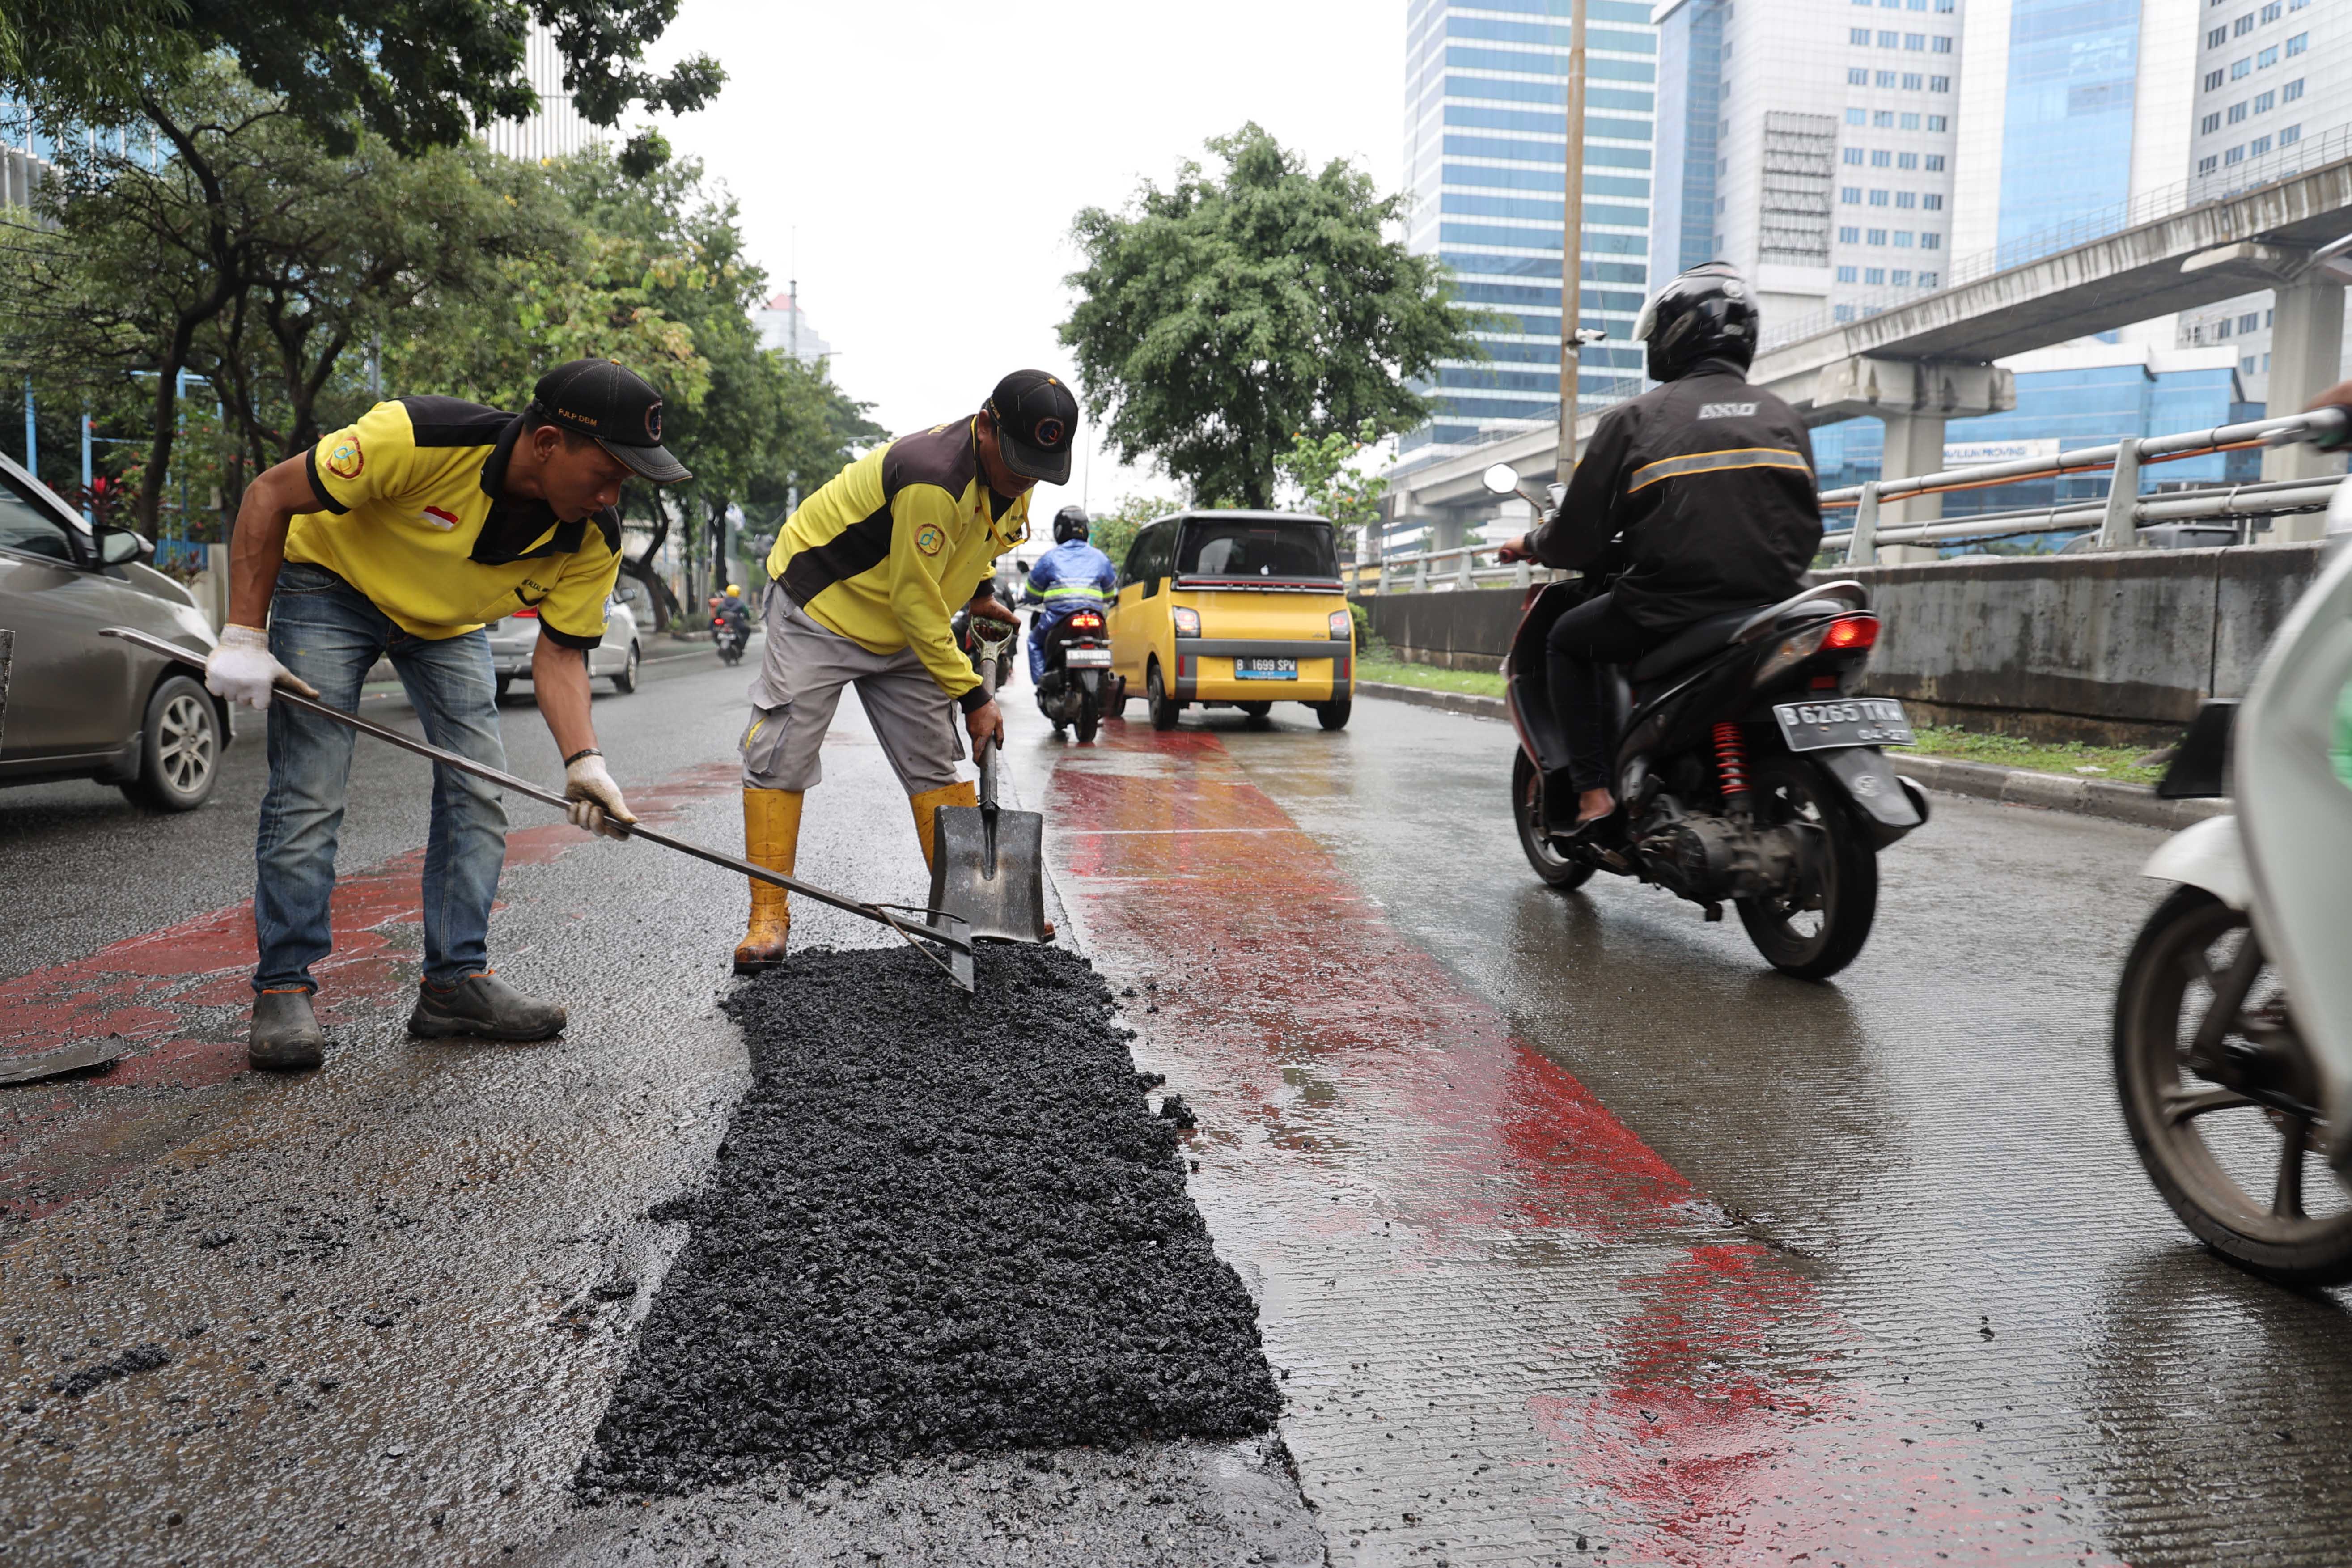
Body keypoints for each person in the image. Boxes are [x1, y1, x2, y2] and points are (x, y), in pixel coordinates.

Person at [205, 359, 689, 1072]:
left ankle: (452, 983)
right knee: (312, 785)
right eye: (607, 472)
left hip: (446, 624)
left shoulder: (594, 537)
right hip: (331, 585)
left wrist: (585, 761)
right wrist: (244, 633)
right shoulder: (418, 437)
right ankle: (283, 986)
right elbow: (269, 492)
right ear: (547, 443)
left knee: (478, 785)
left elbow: (560, 655)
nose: (611, 496)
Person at [732, 369, 1080, 972]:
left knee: (931, 760)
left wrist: (980, 593)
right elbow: (916, 604)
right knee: (781, 753)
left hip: (905, 618)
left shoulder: (1019, 474)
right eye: (1019, 462)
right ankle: (767, 916)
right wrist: (974, 696)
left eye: (1038, 468)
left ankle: (977, 906)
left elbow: (976, 537)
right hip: (823, 603)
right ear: (986, 425)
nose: (1025, 479)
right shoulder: (932, 477)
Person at [1498, 262, 1822, 832]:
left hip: (1673, 607)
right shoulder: (1785, 418)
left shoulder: (1637, 419)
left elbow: (1577, 537)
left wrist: (1531, 542)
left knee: (1566, 639)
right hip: (1778, 605)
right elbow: (1808, 524)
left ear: (1674, 336)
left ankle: (1594, 795)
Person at [1020, 505, 1118, 683]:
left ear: (1058, 531)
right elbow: (1110, 592)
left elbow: (1033, 591)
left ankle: (1042, 682)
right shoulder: (1100, 557)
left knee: (1034, 642)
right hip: (1094, 616)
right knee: (1105, 642)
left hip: (1058, 617)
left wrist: (1030, 598)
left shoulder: (1050, 558)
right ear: (1086, 530)